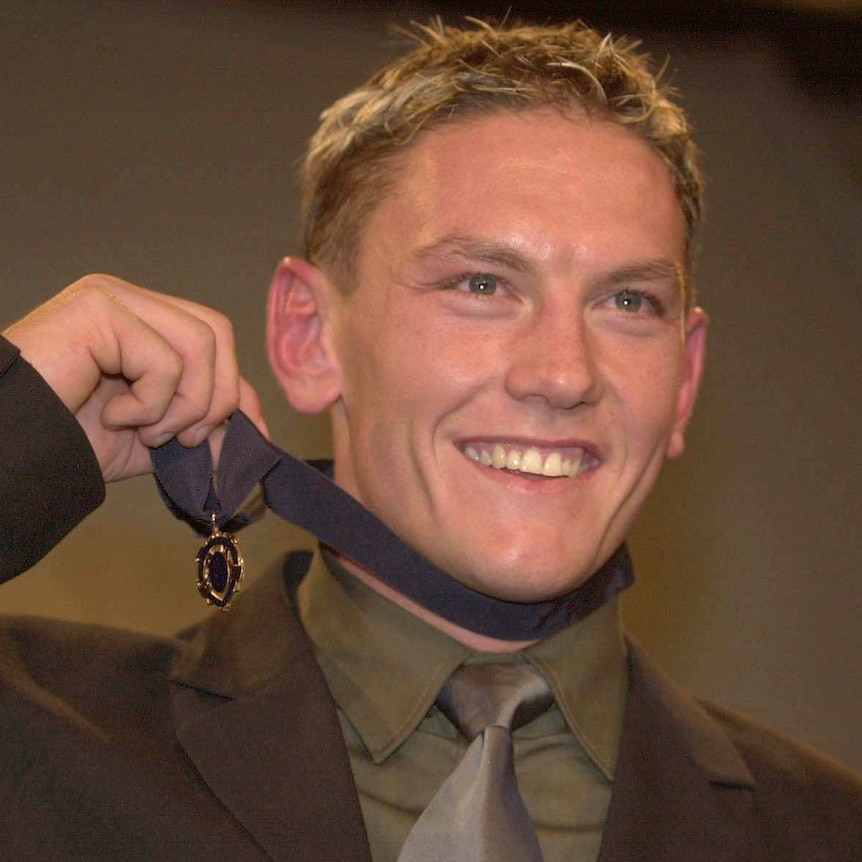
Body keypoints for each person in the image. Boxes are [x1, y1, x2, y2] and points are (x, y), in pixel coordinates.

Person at [1, 17, 860, 862]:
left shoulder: (828, 831)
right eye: (482, 283)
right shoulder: (39, 745)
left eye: (628, 302)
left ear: (685, 383)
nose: (564, 375)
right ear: (308, 337)